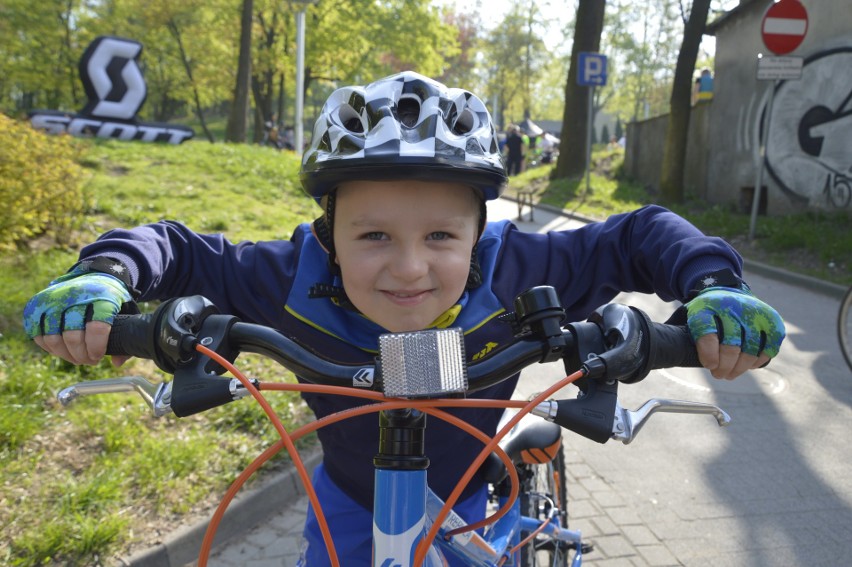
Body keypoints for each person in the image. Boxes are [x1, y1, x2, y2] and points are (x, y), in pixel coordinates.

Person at [22, 71, 784, 566]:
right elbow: (177, 247)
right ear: (328, 233)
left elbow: (639, 232)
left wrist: (713, 286)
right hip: (350, 493)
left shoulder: (521, 268)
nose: (411, 267)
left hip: (468, 494)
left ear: (481, 231)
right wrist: (104, 272)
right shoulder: (291, 277)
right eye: (374, 235)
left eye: (443, 237)